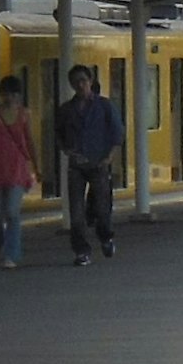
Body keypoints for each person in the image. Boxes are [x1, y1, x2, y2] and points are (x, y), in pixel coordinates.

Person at [61, 64, 124, 264]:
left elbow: (117, 133)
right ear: (72, 84)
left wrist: (109, 157)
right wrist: (68, 151)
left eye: (84, 81)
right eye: (76, 81)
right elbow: (59, 135)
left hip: (99, 163)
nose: (80, 85)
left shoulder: (105, 106)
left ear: (90, 82)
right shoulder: (66, 110)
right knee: (76, 211)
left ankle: (105, 236)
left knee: (102, 208)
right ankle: (81, 251)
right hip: (76, 166)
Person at [0, 75, 38, 268]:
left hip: (17, 169)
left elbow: (30, 142)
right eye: (5, 93)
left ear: (19, 95)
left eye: (13, 93)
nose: (9, 97)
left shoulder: (24, 114)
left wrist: (37, 167)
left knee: (12, 212)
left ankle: (11, 254)